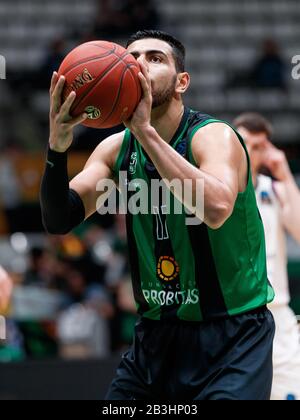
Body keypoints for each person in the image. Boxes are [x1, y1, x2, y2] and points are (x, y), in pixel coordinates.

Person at [40, 30, 275, 400]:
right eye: (133, 56)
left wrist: (146, 133)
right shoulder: (115, 149)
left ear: (182, 82)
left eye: (155, 58)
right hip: (155, 337)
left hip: (231, 336)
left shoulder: (213, 136)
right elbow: (59, 219)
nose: (140, 64)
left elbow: (215, 209)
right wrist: (56, 147)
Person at [234, 113, 300, 400]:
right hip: (234, 318)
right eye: (243, 142)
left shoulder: (274, 189)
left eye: (257, 145)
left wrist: (283, 172)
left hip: (278, 316)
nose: (247, 150)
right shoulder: (214, 189)